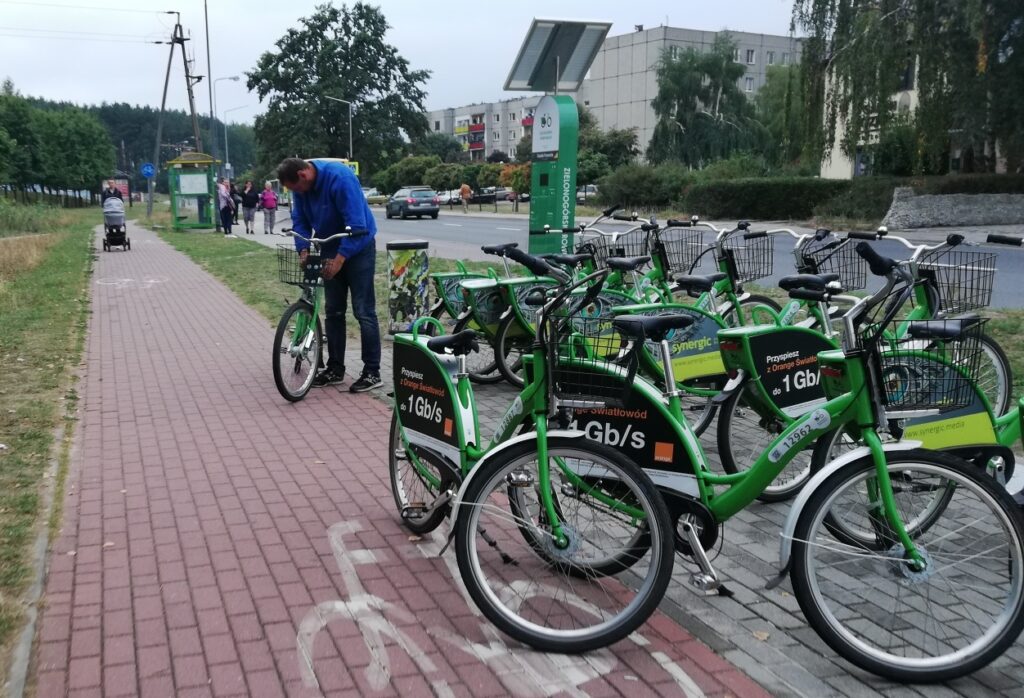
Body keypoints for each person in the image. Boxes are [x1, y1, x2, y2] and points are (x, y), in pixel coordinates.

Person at [277, 157, 381, 392]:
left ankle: (372, 372)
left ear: (303, 175)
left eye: (296, 188)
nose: (297, 193)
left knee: (364, 311)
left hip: (358, 247)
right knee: (333, 311)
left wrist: (340, 260)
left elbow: (357, 224)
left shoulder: (340, 178)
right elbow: (300, 220)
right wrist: (303, 248)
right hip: (329, 246)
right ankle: (335, 368)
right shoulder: (300, 189)